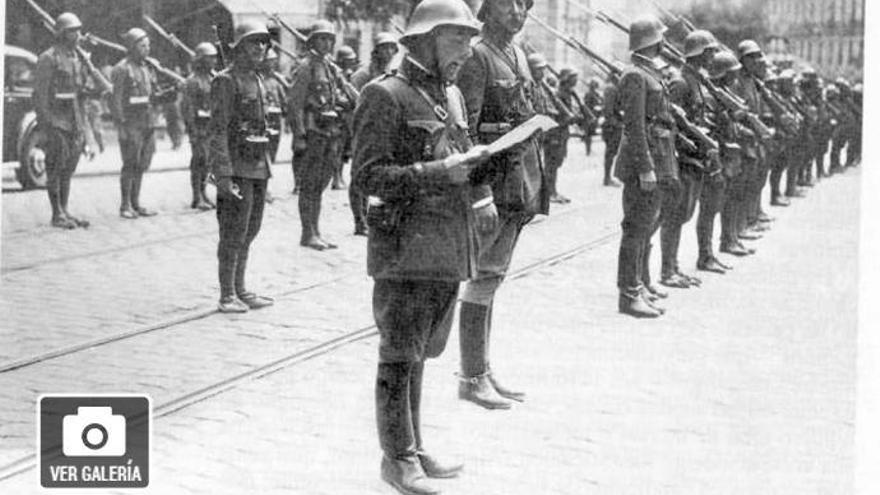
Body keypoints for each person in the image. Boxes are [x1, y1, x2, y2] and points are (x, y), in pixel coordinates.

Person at [352, 0, 485, 492]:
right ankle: (397, 458)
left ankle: (414, 445)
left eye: (471, 41)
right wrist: (434, 173)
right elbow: (368, 176)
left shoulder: (448, 97)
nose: (468, 52)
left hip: (445, 246)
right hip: (404, 249)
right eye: (459, 39)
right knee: (397, 353)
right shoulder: (383, 95)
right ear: (426, 39)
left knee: (421, 354)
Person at [456, 0, 547, 409]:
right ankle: (471, 376)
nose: (517, 11)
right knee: (483, 278)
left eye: (522, 5)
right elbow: (468, 133)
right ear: (487, 10)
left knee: (493, 279)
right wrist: (481, 195)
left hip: (519, 182)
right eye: (508, 4)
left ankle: (483, 371)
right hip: (495, 185)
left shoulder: (516, 54)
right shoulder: (476, 56)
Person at [206, 20, 275, 313]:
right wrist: (223, 174)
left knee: (251, 229)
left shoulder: (258, 80)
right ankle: (226, 295)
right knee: (233, 231)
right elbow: (218, 130)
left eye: (263, 42)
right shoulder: (226, 80)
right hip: (236, 168)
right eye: (253, 42)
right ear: (239, 47)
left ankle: (240, 288)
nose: (260, 47)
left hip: (257, 166)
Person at [614, 17, 676, 318]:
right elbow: (635, 127)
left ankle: (640, 285)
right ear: (654, 41)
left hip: (656, 157)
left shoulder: (648, 72)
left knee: (644, 227)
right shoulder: (635, 75)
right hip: (643, 163)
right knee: (635, 229)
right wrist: (645, 168)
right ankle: (628, 295)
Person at [32, 12, 104, 229]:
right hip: (56, 122)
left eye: (79, 30)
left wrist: (92, 77)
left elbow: (85, 90)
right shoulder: (49, 58)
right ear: (63, 33)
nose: (78, 35)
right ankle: (57, 214)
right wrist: (46, 126)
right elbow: (40, 96)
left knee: (68, 170)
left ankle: (65, 210)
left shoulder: (78, 58)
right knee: (55, 169)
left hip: (75, 121)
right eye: (74, 31)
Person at [289, 20, 356, 250]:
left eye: (329, 39)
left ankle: (316, 230)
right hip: (313, 131)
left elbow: (340, 94)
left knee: (321, 183)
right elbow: (295, 104)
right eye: (322, 38)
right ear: (313, 40)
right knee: (310, 184)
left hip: (330, 131)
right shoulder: (306, 66)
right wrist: (299, 135)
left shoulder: (329, 66)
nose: (326, 43)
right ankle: (307, 233)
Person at [662, 29, 721, 287]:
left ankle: (673, 267)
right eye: (709, 52)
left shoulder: (696, 80)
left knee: (684, 214)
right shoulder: (681, 82)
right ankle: (667, 271)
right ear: (698, 53)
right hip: (683, 159)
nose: (713, 57)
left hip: (696, 158)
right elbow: (670, 120)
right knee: (675, 215)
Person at [110, 28, 177, 219]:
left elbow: (152, 95)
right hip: (131, 124)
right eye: (142, 45)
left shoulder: (147, 68)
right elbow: (115, 101)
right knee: (130, 164)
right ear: (131, 46)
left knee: (142, 164)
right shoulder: (122, 69)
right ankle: (125, 205)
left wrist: (167, 94)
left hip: (147, 123)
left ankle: (136, 203)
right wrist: (121, 125)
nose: (146, 49)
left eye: (148, 45)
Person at [349, 32, 399, 236]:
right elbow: (352, 103)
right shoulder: (362, 75)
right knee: (359, 174)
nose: (388, 52)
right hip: (362, 129)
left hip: (384, 130)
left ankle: (372, 217)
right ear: (375, 51)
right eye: (384, 47)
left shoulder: (391, 73)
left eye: (391, 48)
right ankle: (359, 221)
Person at [181, 42, 218, 211]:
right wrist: (192, 130)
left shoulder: (213, 78)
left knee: (208, 163)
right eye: (210, 58)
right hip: (199, 127)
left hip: (211, 127)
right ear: (201, 60)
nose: (214, 61)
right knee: (199, 161)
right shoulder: (192, 81)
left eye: (214, 58)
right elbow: (187, 108)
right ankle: (196, 196)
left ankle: (204, 193)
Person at [332, 45, 358, 190]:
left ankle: (340, 176)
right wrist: (345, 101)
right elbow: (335, 94)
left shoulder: (348, 74)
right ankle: (336, 178)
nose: (351, 63)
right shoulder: (335, 73)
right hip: (339, 117)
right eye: (348, 60)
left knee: (345, 151)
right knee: (337, 149)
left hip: (349, 117)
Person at [600, 69, 623, 187]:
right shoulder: (611, 88)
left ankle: (609, 177)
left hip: (615, 125)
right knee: (610, 153)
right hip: (612, 127)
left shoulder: (615, 87)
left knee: (612, 153)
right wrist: (617, 125)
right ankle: (607, 178)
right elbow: (608, 111)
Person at [581, 77, 602, 155]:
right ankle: (588, 151)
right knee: (588, 134)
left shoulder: (596, 94)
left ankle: (589, 150)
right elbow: (586, 105)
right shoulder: (588, 94)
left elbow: (599, 102)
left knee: (590, 133)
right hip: (589, 115)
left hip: (595, 115)